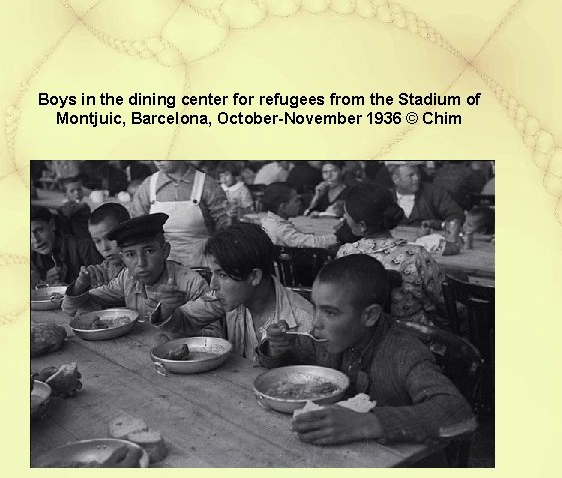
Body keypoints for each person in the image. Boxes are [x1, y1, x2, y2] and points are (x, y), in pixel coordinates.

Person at [262, 255, 475, 449]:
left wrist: (368, 423)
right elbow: (292, 368)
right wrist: (277, 349)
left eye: (330, 312)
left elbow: (459, 414)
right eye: (315, 307)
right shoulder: (324, 340)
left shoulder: (404, 353)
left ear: (370, 315)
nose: (316, 323)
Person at [62, 213, 223, 337]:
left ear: (165, 251)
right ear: (123, 258)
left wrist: (172, 324)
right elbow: (74, 307)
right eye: (131, 255)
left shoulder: (192, 283)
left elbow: (215, 335)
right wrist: (80, 285)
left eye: (149, 251)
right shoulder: (127, 278)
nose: (141, 263)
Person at [337, 183, 446, 327]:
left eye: (347, 214)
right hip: (415, 340)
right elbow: (442, 301)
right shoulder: (415, 255)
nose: (344, 218)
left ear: (362, 225)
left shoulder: (345, 254)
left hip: (365, 338)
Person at [203, 223, 314, 362]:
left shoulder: (307, 324)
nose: (212, 285)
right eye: (212, 273)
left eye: (223, 275)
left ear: (254, 277)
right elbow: (186, 318)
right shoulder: (231, 301)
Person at [130, 160, 231, 268]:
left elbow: (224, 226)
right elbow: (136, 227)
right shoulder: (148, 186)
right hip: (161, 267)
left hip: (202, 263)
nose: (157, 160)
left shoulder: (206, 184)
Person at [30, 206, 102, 288]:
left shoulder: (84, 248)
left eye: (39, 230)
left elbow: (103, 286)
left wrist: (75, 288)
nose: (35, 240)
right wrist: (46, 283)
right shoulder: (32, 257)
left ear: (52, 225)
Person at [259, 182, 339, 248]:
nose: (300, 203)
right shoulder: (282, 230)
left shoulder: (267, 221)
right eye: (296, 201)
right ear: (283, 207)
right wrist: (338, 236)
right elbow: (313, 243)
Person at [387, 161, 464, 226]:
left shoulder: (434, 193)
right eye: (411, 175)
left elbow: (457, 216)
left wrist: (439, 224)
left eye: (418, 173)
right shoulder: (385, 197)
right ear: (396, 179)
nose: (417, 178)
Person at [79, 202, 131, 288]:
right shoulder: (105, 269)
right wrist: (81, 285)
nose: (105, 248)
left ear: (127, 231)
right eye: (97, 241)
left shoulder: (139, 269)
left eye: (110, 238)